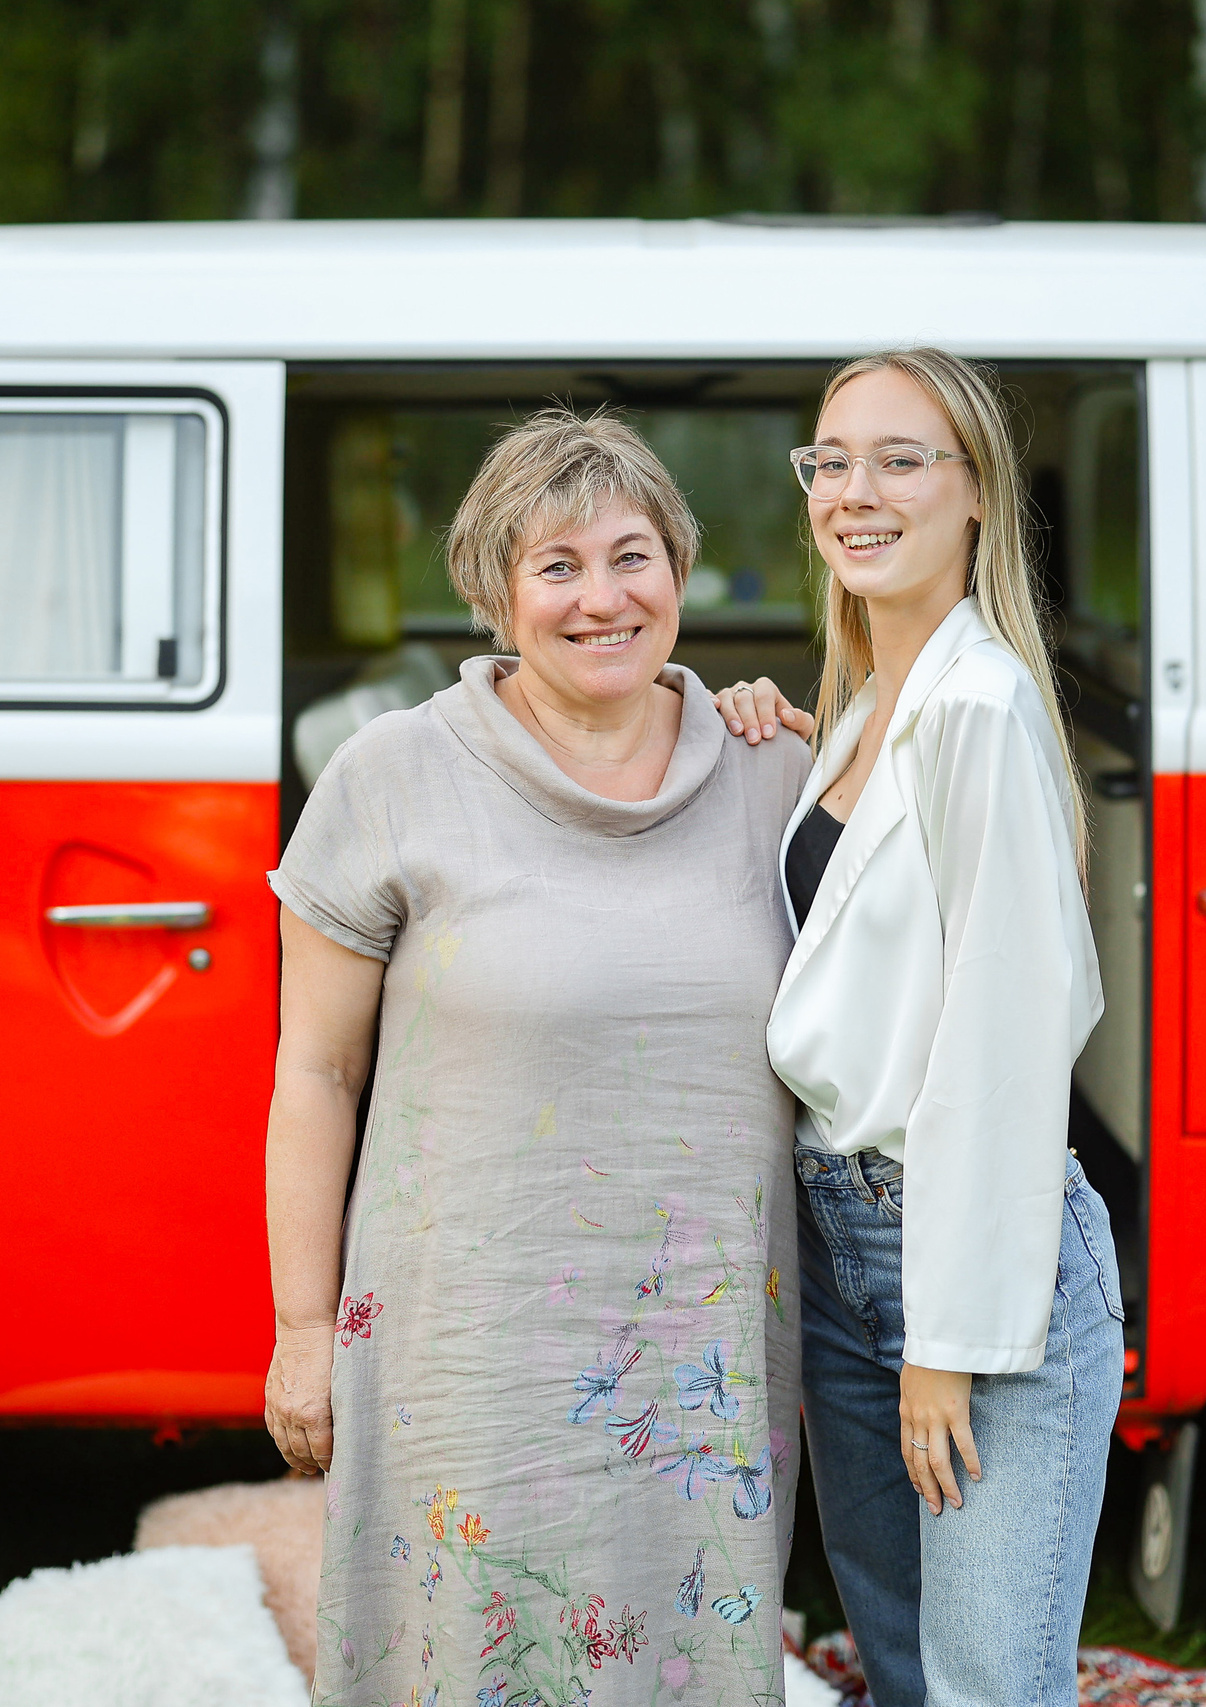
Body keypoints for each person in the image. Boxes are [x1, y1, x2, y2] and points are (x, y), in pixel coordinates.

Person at [263, 409, 811, 1707]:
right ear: (495, 590)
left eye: (634, 556)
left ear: (682, 571)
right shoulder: (392, 775)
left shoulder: (777, 768)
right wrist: (299, 1328)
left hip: (702, 1349)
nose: (602, 598)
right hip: (469, 1344)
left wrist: (813, 720)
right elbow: (314, 1076)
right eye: (557, 566)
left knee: (682, 1650)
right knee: (470, 1657)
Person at [714, 348, 1123, 1707]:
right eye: (832, 461)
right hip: (840, 1248)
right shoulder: (856, 715)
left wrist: (946, 1342)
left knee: (986, 1687)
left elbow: (1007, 1039)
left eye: (902, 459)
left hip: (969, 1258)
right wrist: (754, 739)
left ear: (978, 497)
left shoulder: (980, 707)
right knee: (899, 1670)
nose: (857, 491)